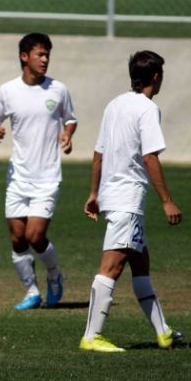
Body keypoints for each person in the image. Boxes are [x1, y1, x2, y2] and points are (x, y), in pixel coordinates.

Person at [79, 50, 184, 352]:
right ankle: (91, 336)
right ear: (156, 77)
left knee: (141, 264)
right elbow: (149, 156)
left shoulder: (114, 104)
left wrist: (95, 193)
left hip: (113, 194)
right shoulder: (148, 109)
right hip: (127, 198)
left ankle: (163, 332)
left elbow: (99, 153)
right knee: (111, 266)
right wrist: (166, 200)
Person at [0, 33, 77, 310]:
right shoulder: (8, 91)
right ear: (25, 57)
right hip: (18, 175)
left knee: (35, 236)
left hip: (47, 176)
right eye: (40, 54)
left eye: (48, 54)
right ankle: (31, 292)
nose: (45, 60)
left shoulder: (58, 90)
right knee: (16, 237)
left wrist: (68, 135)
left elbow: (70, 119)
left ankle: (53, 273)